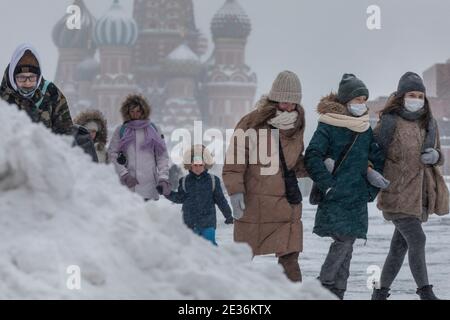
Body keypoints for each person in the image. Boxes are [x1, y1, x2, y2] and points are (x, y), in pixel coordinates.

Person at [304, 74, 385, 299]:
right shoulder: (328, 125)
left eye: (364, 99)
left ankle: (337, 291)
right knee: (344, 241)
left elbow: (377, 159)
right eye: (358, 99)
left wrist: (370, 191)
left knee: (347, 245)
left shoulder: (364, 128)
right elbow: (312, 156)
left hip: (357, 197)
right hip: (336, 196)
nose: (362, 104)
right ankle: (323, 286)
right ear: (346, 101)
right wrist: (328, 185)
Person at [222, 71, 307, 282]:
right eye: (284, 101)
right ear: (275, 98)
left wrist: (319, 166)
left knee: (290, 262)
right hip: (254, 204)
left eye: (293, 102)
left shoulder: (297, 124)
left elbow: (292, 163)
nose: (289, 106)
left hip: (286, 204)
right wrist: (235, 192)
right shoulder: (251, 122)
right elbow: (234, 161)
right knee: (242, 260)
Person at [372, 72, 449, 300]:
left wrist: (436, 156)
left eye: (420, 95)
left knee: (399, 247)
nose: (416, 99)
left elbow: (439, 154)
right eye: (411, 94)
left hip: (419, 195)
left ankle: (380, 293)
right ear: (401, 96)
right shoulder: (390, 122)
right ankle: (425, 293)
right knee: (417, 239)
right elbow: (373, 152)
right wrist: (371, 173)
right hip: (396, 193)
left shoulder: (429, 122)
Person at [164, 145, 233, 246]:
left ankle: (214, 262)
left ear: (205, 165)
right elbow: (179, 198)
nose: (197, 168)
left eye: (200, 165)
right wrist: (167, 193)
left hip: (208, 223)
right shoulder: (184, 181)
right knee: (191, 249)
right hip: (189, 223)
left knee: (210, 246)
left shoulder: (213, 181)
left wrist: (228, 216)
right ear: (190, 165)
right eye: (195, 165)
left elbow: (221, 200)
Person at [108, 94, 170, 201]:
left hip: (149, 186)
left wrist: (163, 178)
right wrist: (124, 174)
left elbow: (162, 156)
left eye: (138, 111)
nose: (135, 114)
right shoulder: (121, 130)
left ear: (143, 111)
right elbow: (112, 154)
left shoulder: (154, 129)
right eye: (132, 111)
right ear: (127, 112)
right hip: (129, 185)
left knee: (147, 216)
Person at [0, 43, 73, 135]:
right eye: (21, 78)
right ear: (12, 77)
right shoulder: (2, 99)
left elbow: (66, 133)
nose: (27, 83)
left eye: (32, 77)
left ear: (38, 77)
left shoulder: (52, 93)